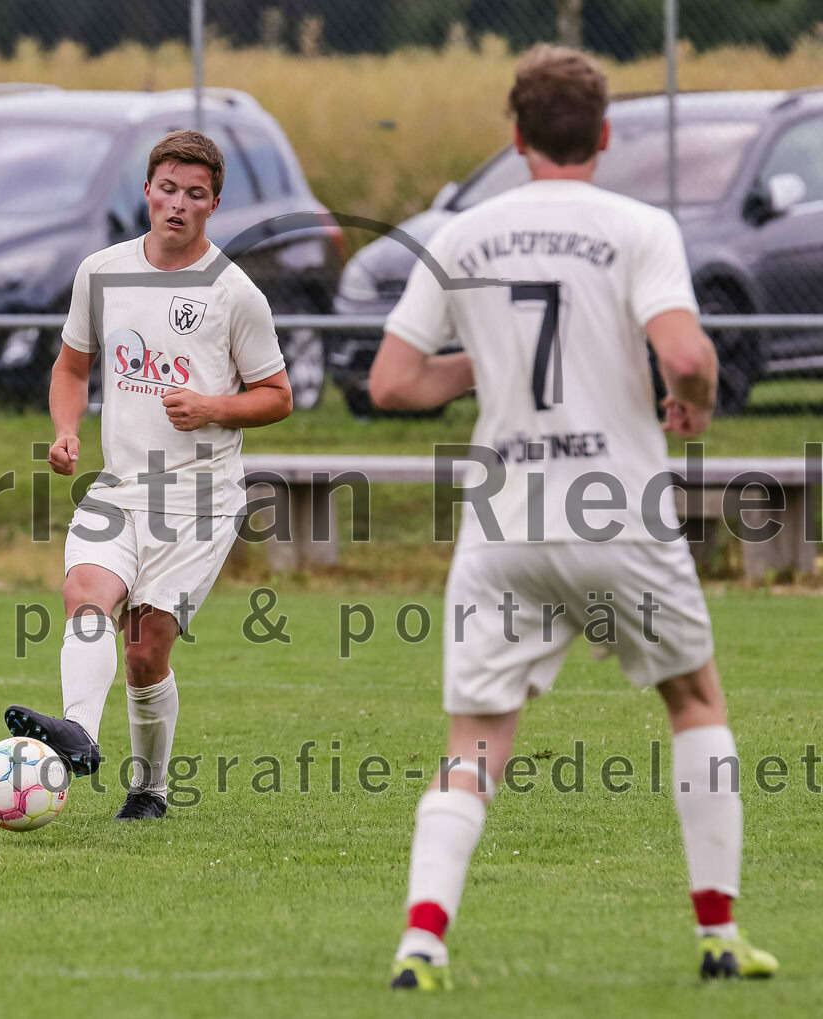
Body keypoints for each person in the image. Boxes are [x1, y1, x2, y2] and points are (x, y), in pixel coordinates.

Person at [369, 45, 777, 988]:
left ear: (514, 138)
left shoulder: (463, 233)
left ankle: (420, 945)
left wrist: (488, 361)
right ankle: (717, 934)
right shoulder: (638, 225)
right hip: (618, 515)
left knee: (474, 742)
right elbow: (686, 353)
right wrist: (697, 404)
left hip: (504, 525)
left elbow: (393, 381)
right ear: (603, 136)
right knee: (695, 700)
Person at [5, 130, 292, 821]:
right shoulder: (101, 271)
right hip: (119, 485)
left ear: (214, 203)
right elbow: (72, 367)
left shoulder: (234, 293)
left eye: (195, 194)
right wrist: (67, 429)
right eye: (168, 189)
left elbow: (278, 394)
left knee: (144, 651)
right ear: (147, 191)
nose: (178, 205)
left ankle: (150, 790)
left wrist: (214, 406)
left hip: (200, 499)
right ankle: (79, 730)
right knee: (86, 594)